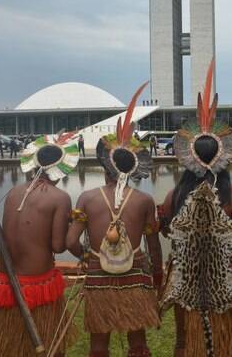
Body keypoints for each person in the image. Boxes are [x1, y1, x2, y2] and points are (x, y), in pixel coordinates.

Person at [159, 63, 232, 357]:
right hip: (223, 275)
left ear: (190, 157)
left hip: (185, 276)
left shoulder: (175, 193)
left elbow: (164, 228)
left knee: (183, 340)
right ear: (222, 156)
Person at [67, 84, 162, 357]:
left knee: (99, 345)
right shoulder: (144, 200)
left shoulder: (87, 197)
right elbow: (153, 245)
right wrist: (157, 276)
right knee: (138, 344)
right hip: (136, 275)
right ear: (131, 169)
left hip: (99, 276)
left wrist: (88, 257)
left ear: (104, 166)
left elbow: (70, 241)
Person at [0, 133, 80, 357]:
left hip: (8, 280)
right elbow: (58, 246)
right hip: (37, 283)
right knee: (50, 348)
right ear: (61, 169)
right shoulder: (59, 197)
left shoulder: (13, 193)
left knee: (12, 349)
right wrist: (72, 225)